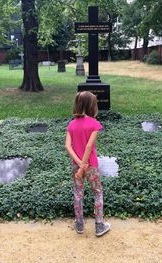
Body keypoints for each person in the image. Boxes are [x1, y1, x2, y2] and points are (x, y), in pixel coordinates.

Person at [65, 91, 110, 237]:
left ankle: (79, 224)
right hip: (90, 165)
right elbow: (89, 146)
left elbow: (68, 146)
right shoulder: (95, 124)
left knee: (78, 193)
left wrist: (79, 165)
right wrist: (84, 165)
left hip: (76, 165)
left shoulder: (71, 124)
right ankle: (99, 225)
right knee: (97, 192)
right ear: (92, 105)